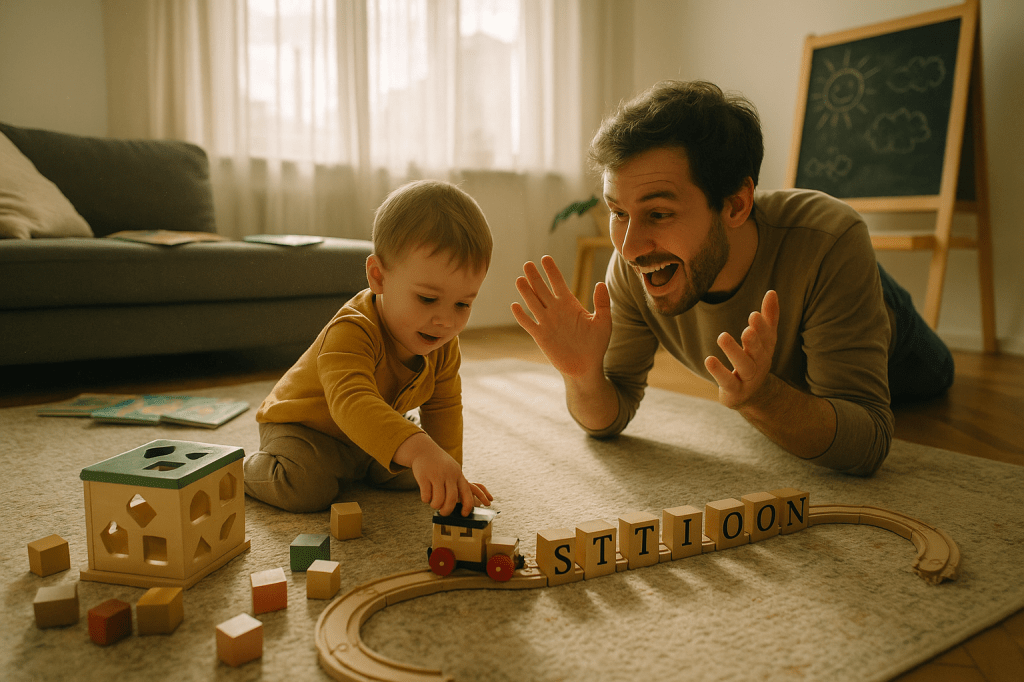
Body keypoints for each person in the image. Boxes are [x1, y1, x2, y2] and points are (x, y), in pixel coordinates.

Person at [512, 80, 954, 477]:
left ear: (737, 205)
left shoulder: (830, 240)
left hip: (904, 355)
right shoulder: (635, 268)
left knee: (940, 378)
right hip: (797, 369)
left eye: (659, 213)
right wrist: (584, 374)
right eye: (618, 212)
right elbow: (610, 414)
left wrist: (762, 397)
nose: (628, 247)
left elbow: (870, 439)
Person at [245, 179, 495, 515]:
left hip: (369, 432)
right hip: (305, 428)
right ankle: (236, 470)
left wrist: (448, 469)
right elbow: (352, 403)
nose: (445, 322)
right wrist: (420, 450)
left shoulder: (443, 344)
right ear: (378, 276)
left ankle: (366, 464)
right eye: (427, 299)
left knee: (420, 473)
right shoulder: (351, 330)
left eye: (463, 304)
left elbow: (445, 407)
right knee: (307, 488)